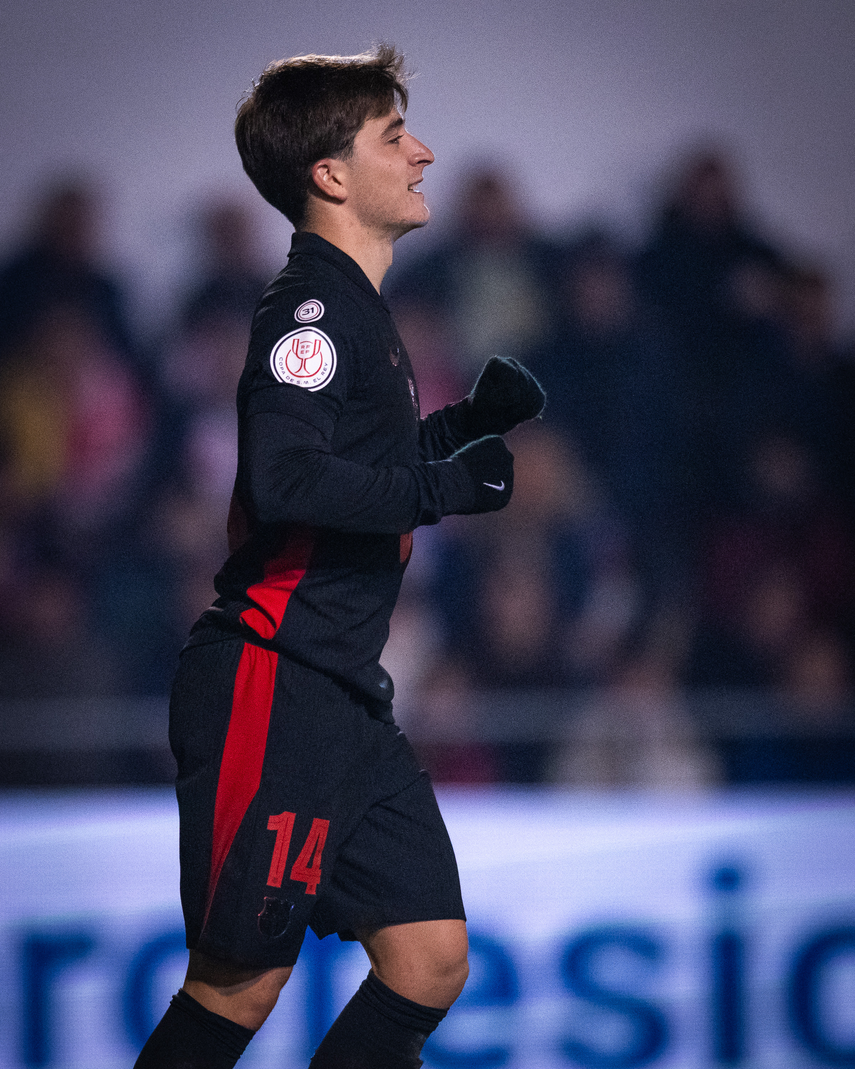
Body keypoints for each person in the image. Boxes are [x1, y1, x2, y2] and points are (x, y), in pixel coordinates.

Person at [133, 45, 545, 1068]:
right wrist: (446, 486)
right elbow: (285, 480)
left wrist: (453, 430)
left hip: (341, 695)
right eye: (394, 137)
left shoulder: (355, 309)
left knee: (430, 958)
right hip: (272, 685)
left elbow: (339, 472)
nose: (424, 153)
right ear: (330, 174)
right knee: (238, 982)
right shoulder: (309, 311)